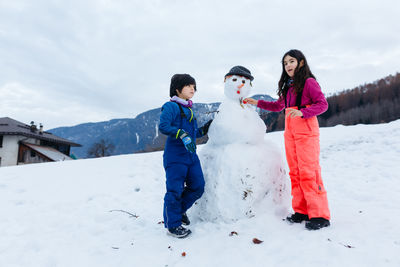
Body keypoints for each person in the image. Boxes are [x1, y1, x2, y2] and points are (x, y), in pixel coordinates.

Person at [244, 49, 331, 230]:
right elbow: (278, 106)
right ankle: (301, 211)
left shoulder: (309, 82)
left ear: (300, 62)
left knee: (309, 172)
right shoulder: (290, 86)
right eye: (285, 63)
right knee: (296, 173)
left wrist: (302, 112)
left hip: (306, 131)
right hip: (290, 132)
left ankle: (320, 215)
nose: (288, 65)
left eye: (291, 61)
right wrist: (257, 102)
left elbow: (323, 104)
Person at [159, 74, 213, 238]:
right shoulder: (171, 107)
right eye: (188, 85)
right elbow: (164, 126)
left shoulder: (189, 109)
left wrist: (203, 130)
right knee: (174, 190)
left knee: (198, 186)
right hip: (175, 156)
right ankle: (173, 225)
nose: (192, 89)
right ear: (177, 89)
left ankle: (179, 210)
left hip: (190, 156)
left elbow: (192, 134)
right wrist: (181, 134)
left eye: (194, 86)